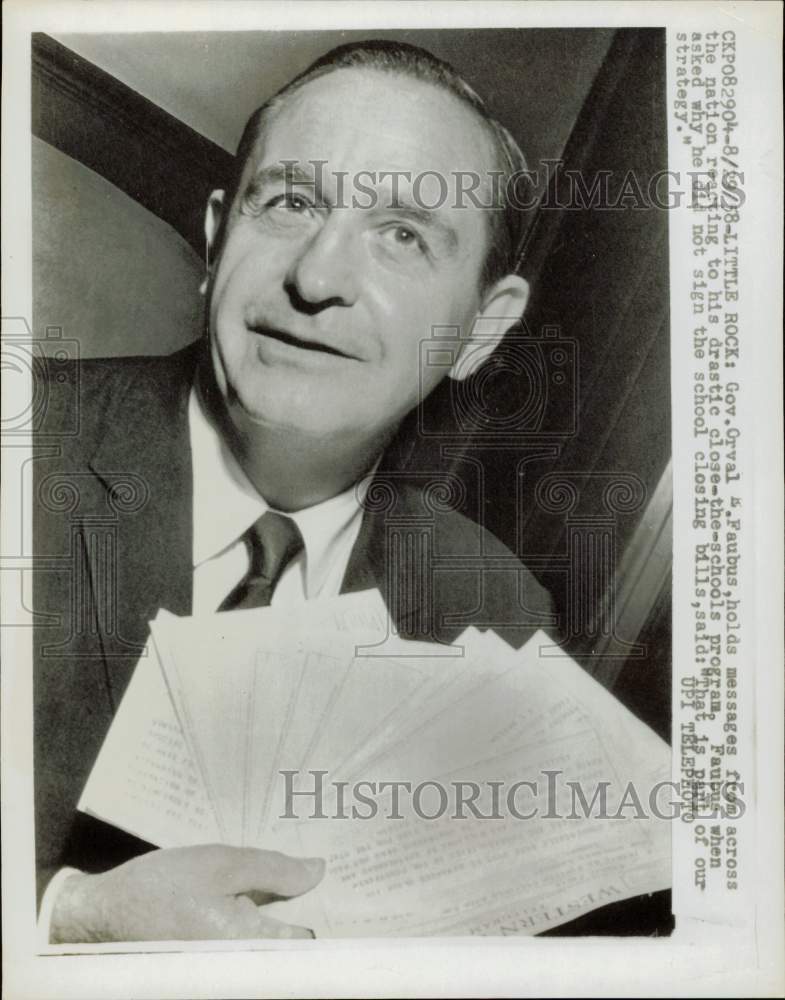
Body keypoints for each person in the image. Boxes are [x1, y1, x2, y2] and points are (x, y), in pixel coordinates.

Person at [33, 39, 558, 943]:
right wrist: (69, 915)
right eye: (289, 202)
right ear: (213, 239)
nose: (316, 280)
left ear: (482, 328)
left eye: (402, 235)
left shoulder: (494, 614)